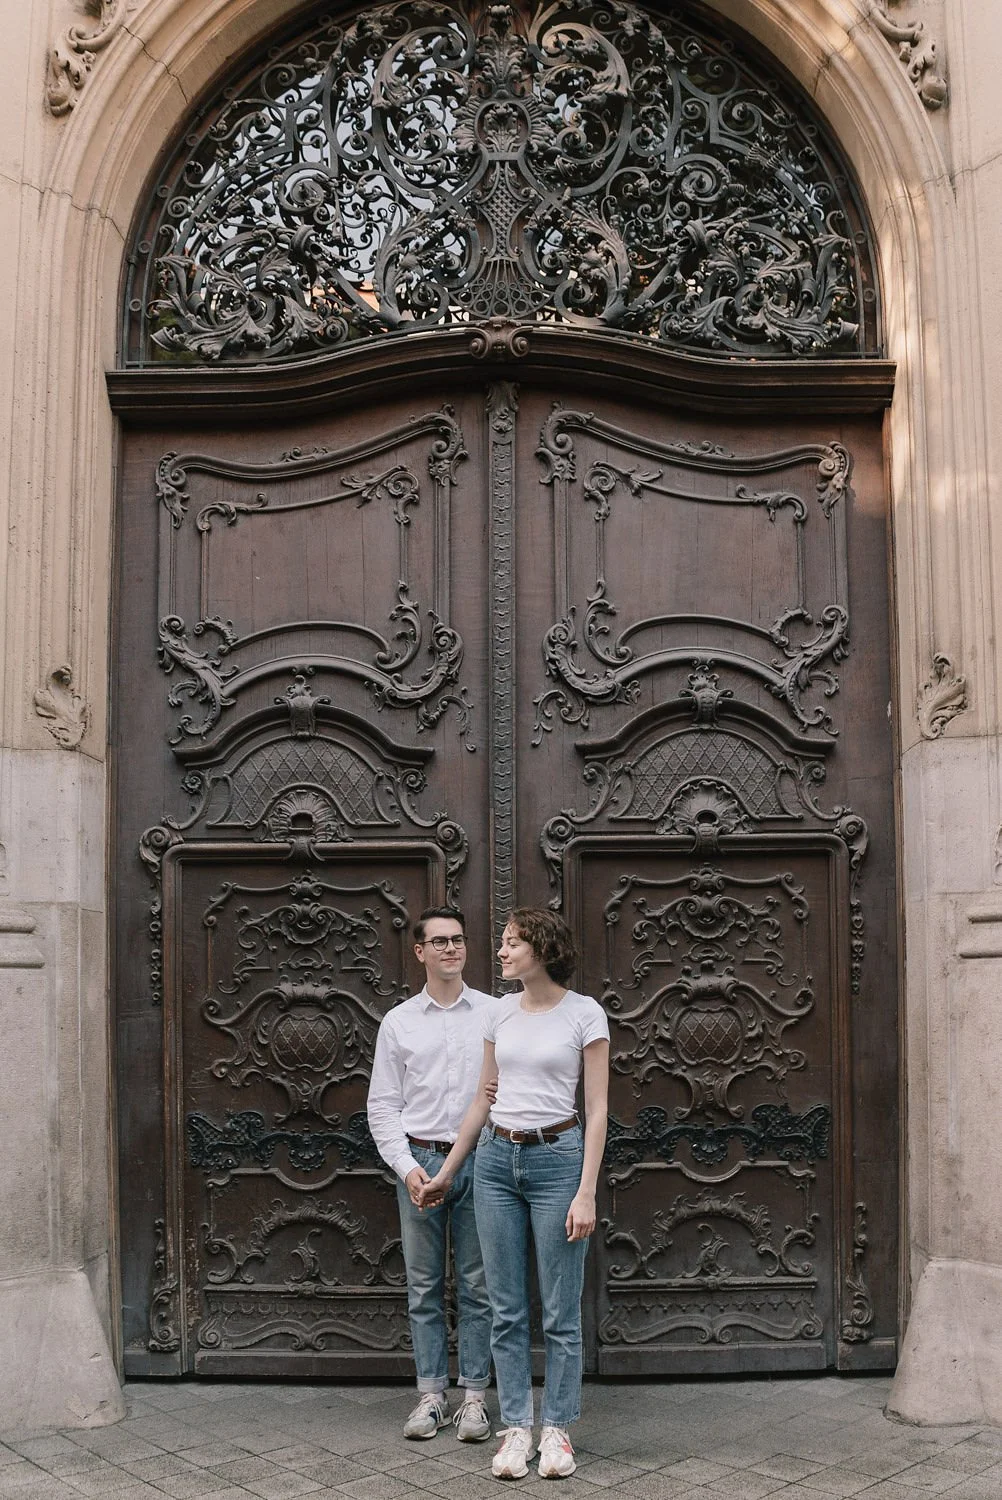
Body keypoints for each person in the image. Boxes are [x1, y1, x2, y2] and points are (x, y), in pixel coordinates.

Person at [419, 908, 609, 1481]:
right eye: (502, 943)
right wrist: (449, 1171)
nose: (500, 952)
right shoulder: (499, 1013)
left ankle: (558, 1429)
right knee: (505, 1307)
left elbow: (597, 1110)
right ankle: (517, 1427)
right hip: (498, 1161)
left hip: (558, 1160)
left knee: (559, 1310)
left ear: (542, 950)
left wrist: (586, 1193)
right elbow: (482, 1099)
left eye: (511, 943)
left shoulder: (584, 1014)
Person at [367, 905, 494, 1442]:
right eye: (439, 941)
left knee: (478, 1283)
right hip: (419, 1161)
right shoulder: (399, 1022)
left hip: (484, 1160)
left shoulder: (494, 1014)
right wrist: (407, 1168)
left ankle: (474, 1400)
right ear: (419, 951)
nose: (451, 949)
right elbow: (382, 1105)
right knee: (423, 1283)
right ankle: (430, 1395)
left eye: (458, 940)